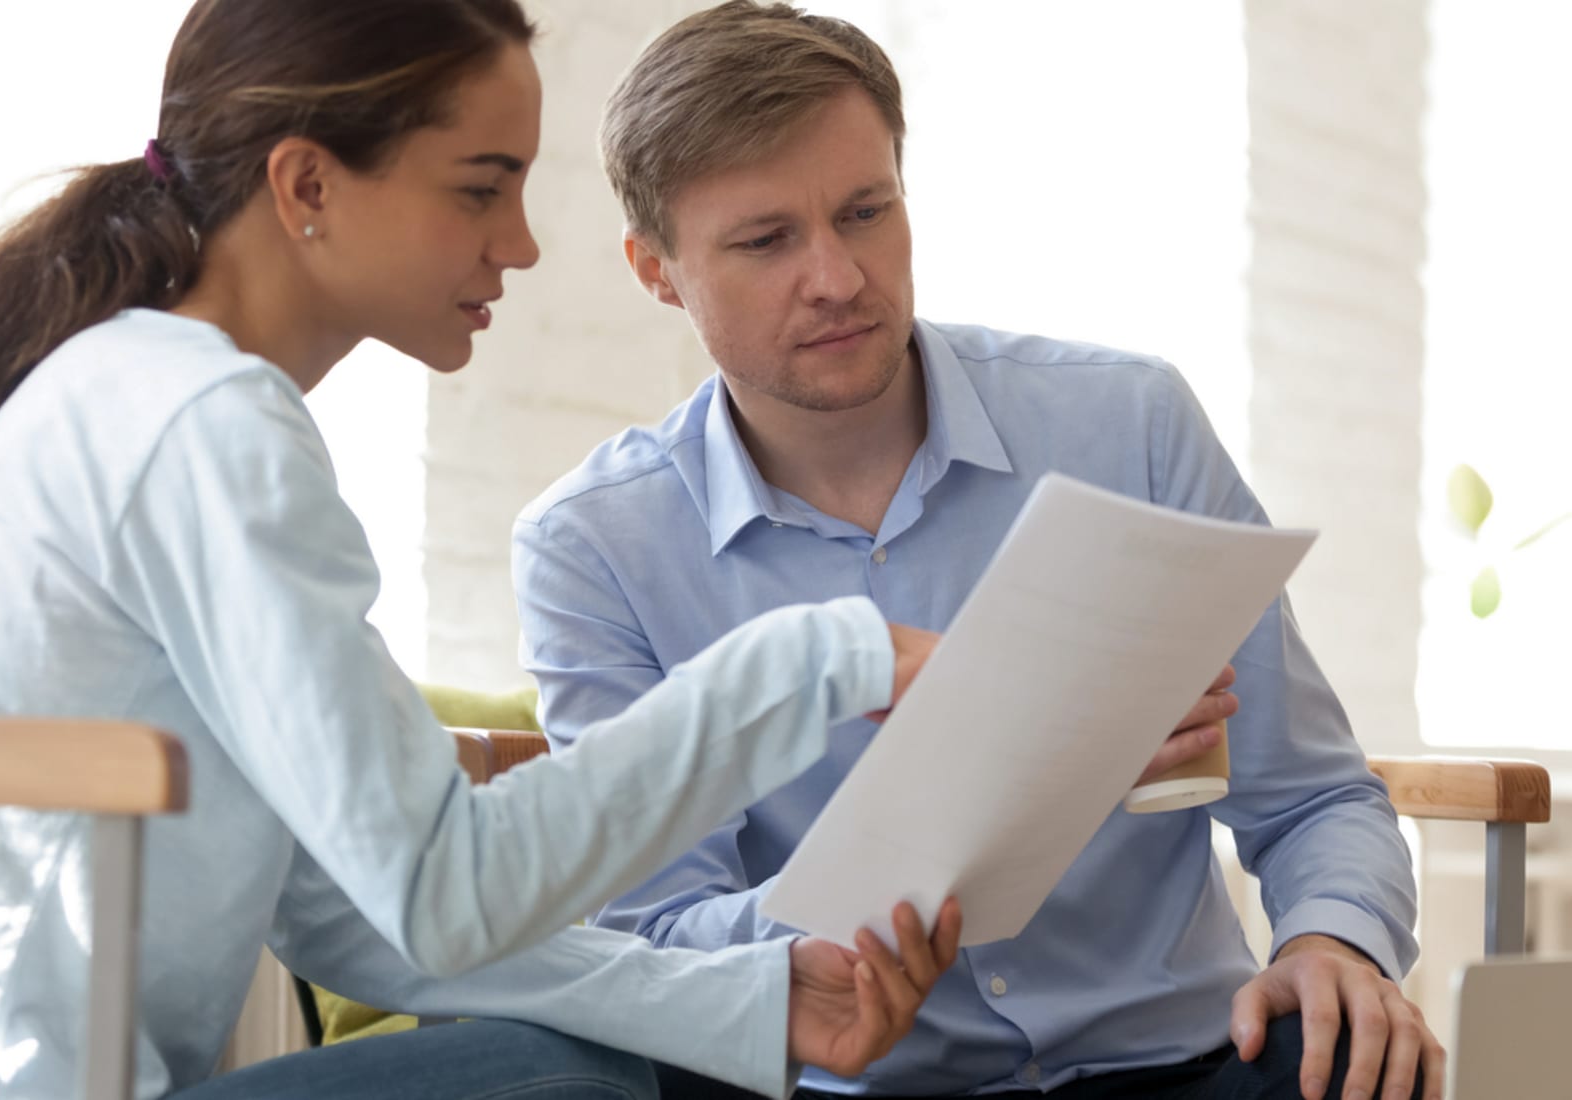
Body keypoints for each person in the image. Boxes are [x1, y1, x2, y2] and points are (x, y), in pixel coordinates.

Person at [0, 2, 969, 1097]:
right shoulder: (198, 419)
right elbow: (446, 887)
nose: (520, 242)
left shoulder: (141, 392)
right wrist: (823, 660)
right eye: (480, 187)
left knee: (601, 1063)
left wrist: (746, 1004)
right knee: (566, 1083)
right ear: (308, 185)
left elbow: (351, 900)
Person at [512, 4, 1442, 1100]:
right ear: (657, 270)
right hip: (853, 1083)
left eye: (867, 211)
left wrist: (1332, 945)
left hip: (1178, 1063)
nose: (839, 277)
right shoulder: (595, 548)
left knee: (1350, 1057)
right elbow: (658, 934)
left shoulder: (1127, 425)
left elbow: (1315, 798)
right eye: (766, 241)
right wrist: (998, 787)